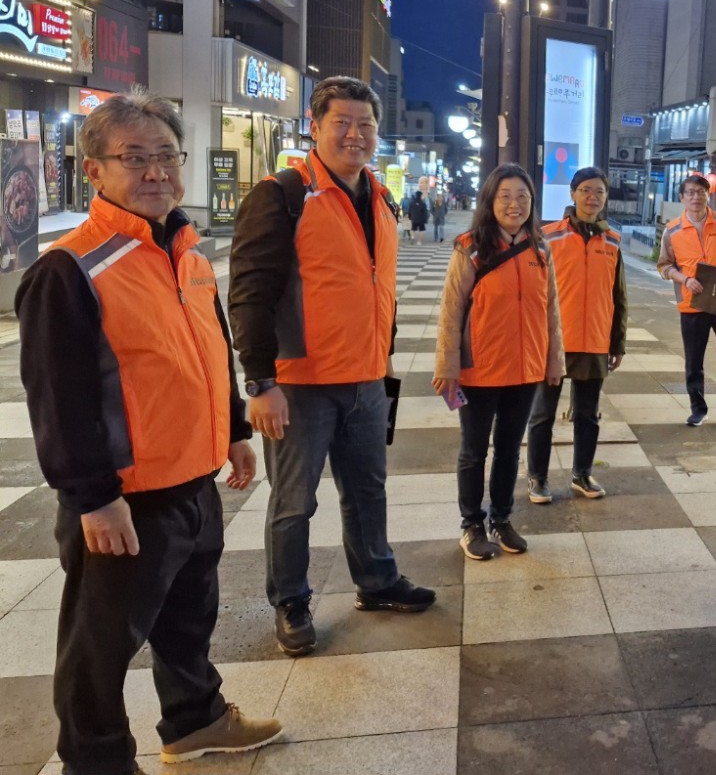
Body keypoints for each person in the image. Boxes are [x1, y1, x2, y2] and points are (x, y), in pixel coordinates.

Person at [17, 92, 282, 774]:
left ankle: (194, 719)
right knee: (100, 643)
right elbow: (59, 398)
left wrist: (231, 430)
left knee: (187, 620)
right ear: (95, 170)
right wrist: (92, 496)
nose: (156, 171)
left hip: (193, 480)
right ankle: (96, 759)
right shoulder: (70, 268)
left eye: (166, 155)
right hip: (126, 497)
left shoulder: (187, 254)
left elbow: (208, 347)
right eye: (135, 157)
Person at [230, 76, 435, 659]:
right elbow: (249, 295)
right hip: (299, 386)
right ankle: (290, 601)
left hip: (368, 379)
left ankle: (376, 579)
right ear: (314, 128)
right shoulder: (282, 194)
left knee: (368, 488)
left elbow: (378, 286)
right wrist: (259, 382)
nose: (355, 133)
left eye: (365, 124)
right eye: (341, 122)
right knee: (295, 501)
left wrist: (384, 357)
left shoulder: (380, 196)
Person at [435, 163, 565, 559]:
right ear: (490, 200)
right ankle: (472, 522)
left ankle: (502, 518)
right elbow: (451, 310)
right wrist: (447, 366)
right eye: (506, 196)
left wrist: (554, 360)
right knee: (474, 450)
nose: (514, 204)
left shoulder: (541, 249)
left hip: (524, 369)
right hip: (479, 369)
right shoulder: (471, 247)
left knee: (509, 449)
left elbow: (551, 310)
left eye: (523, 197)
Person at [526, 167, 627, 503]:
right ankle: (537, 478)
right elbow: (533, 290)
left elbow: (618, 295)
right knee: (543, 413)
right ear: (572, 194)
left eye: (599, 191)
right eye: (585, 190)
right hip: (554, 340)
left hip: (596, 340)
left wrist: (618, 342)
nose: (592, 197)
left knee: (588, 414)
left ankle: (582, 474)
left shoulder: (612, 240)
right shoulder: (548, 236)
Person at [657, 174, 716, 425]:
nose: (696, 197)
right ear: (681, 197)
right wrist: (684, 279)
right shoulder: (673, 230)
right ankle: (697, 408)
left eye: (701, 192)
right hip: (691, 303)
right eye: (690, 192)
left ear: (708, 195)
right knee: (694, 361)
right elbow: (664, 266)